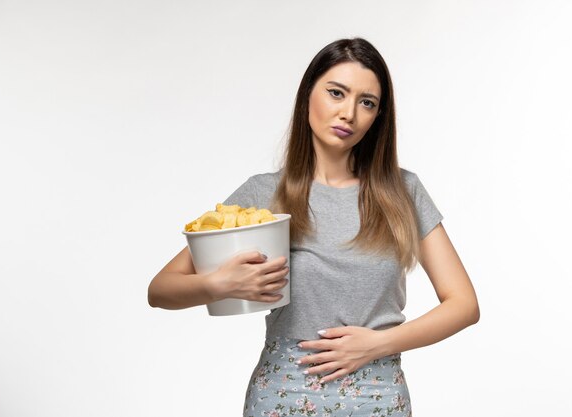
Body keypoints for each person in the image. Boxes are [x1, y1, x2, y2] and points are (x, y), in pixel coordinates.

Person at [148, 37, 480, 417]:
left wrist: (377, 344)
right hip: (282, 395)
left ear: (377, 117)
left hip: (378, 396)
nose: (349, 114)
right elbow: (160, 290)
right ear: (308, 94)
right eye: (336, 93)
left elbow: (464, 305)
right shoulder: (264, 193)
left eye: (366, 102)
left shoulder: (403, 192)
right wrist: (218, 284)